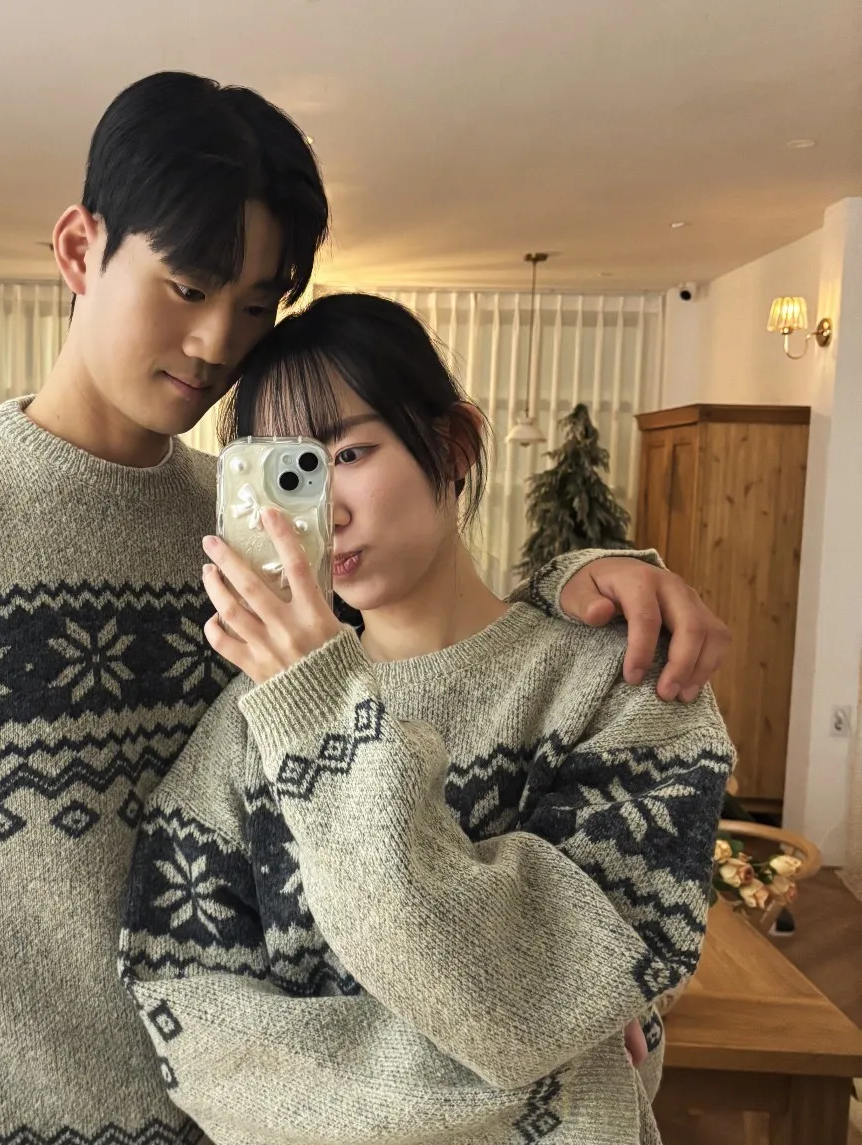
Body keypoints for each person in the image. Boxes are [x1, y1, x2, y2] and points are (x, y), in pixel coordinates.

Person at [0, 76, 727, 1145]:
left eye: (254, 303)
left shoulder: (251, 532)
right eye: (187, 286)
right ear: (79, 248)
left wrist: (575, 580)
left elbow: (421, 655)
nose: (216, 341)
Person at [119, 293, 734, 1144]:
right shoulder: (248, 724)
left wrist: (322, 713)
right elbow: (190, 1021)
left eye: (349, 453)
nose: (325, 511)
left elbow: (535, 992)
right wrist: (548, 1066)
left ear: (454, 445)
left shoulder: (621, 681)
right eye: (288, 472)